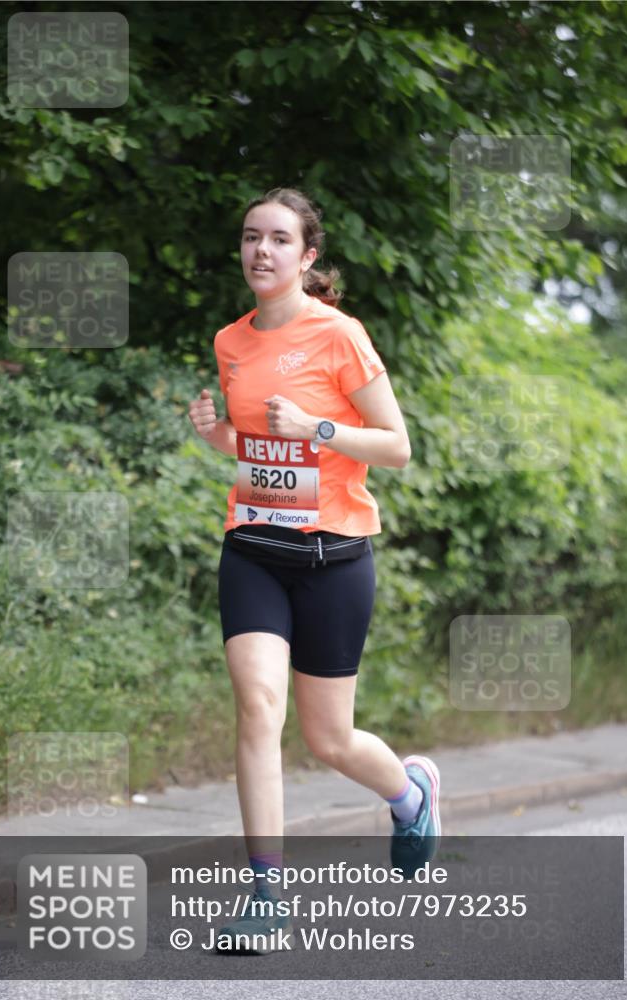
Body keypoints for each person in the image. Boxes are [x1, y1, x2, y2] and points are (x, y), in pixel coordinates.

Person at [188, 187, 440, 954]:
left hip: (334, 557)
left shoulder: (339, 336)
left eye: (278, 239)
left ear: (307, 256)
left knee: (328, 740)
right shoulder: (230, 341)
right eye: (250, 237)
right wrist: (219, 437)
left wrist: (319, 426)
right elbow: (258, 451)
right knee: (258, 707)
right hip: (254, 548)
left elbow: (395, 446)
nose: (260, 251)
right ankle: (266, 896)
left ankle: (410, 794)